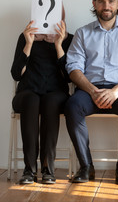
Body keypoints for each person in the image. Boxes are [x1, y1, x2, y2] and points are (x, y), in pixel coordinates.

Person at [64, 0, 118, 185]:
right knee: (72, 105)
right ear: (94, 4)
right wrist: (92, 91)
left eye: (110, 1)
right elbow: (73, 68)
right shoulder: (82, 33)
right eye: (101, 1)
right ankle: (86, 166)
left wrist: (114, 92)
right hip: (90, 89)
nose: (106, 6)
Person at [11, 10, 73, 184]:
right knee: (32, 100)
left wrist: (59, 45)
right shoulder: (25, 37)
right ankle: (29, 169)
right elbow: (16, 74)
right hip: (27, 94)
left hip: (56, 94)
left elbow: (70, 77)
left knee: (50, 101)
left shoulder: (69, 39)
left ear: (62, 17)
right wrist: (29, 43)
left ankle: (48, 168)